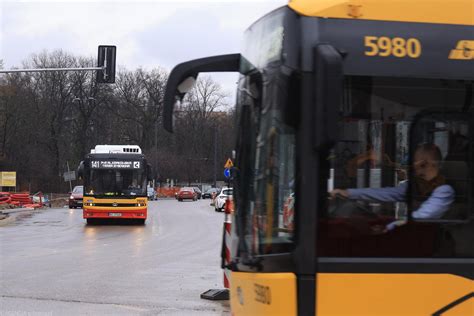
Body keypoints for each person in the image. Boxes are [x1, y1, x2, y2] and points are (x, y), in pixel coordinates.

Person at [330, 143, 455, 230]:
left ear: (428, 164)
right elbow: (386, 193)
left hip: (432, 244)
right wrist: (349, 193)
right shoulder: (415, 185)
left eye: (417, 162)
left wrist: (392, 226)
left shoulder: (444, 190)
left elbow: (423, 215)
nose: (413, 166)